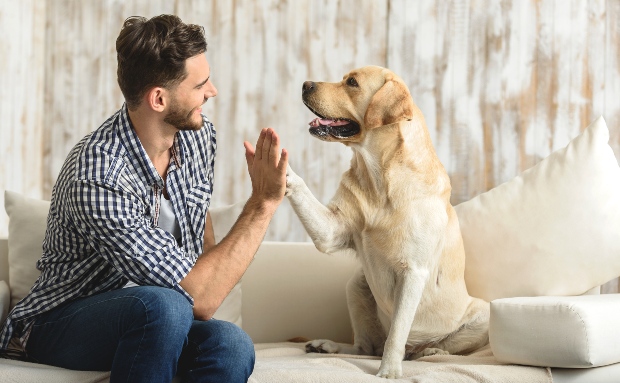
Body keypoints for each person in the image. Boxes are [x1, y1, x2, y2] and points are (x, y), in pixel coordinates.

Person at [0, 14, 288, 383]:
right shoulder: (98, 174)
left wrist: (206, 289)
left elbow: (200, 232)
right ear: (158, 98)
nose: (212, 91)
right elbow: (197, 297)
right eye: (200, 84)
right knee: (163, 305)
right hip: (59, 322)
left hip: (162, 315)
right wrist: (263, 203)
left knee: (230, 344)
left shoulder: (198, 137)